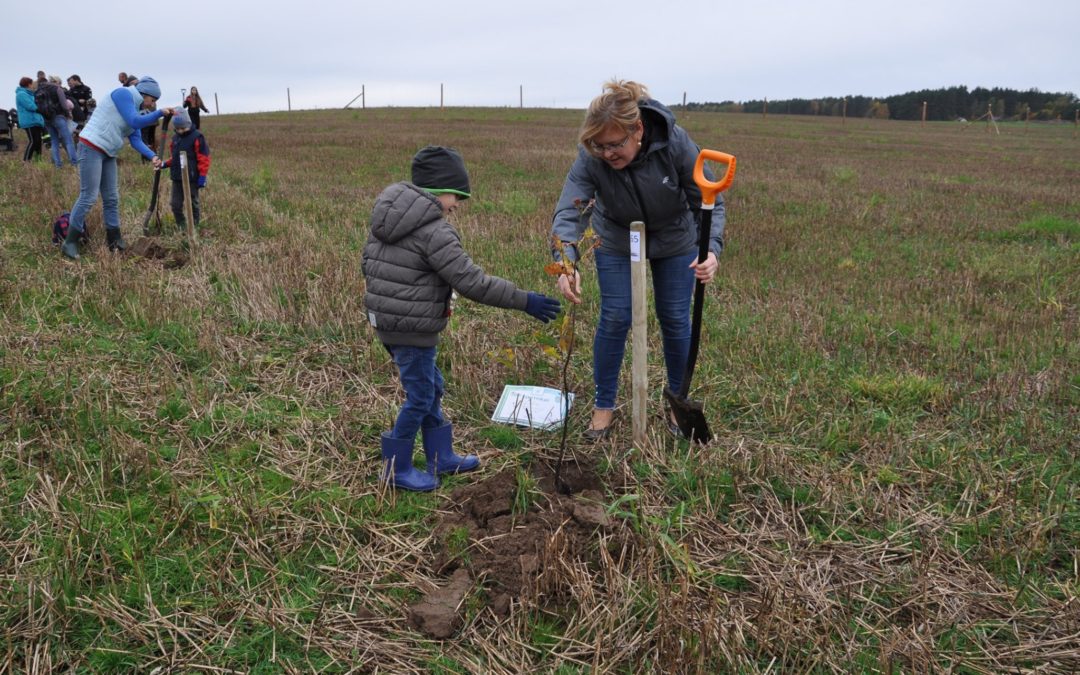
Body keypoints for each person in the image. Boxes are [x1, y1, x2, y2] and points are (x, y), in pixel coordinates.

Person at [362, 146, 562, 491]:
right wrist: (524, 300)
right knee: (421, 397)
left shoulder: (387, 218)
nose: (458, 205)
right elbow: (472, 282)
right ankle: (396, 468)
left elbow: (368, 265)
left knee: (431, 387)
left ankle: (441, 457)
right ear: (440, 190)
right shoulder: (434, 231)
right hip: (413, 328)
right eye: (458, 196)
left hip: (389, 324)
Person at [550, 79, 725, 440]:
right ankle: (603, 406)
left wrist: (711, 251)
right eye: (599, 146)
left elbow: (708, 200)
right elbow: (571, 211)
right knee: (615, 316)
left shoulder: (674, 143)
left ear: (638, 130)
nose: (607, 153)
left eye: (615, 145)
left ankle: (678, 404)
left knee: (675, 317)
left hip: (675, 237)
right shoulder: (591, 157)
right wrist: (566, 262)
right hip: (616, 234)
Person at [60, 76, 174, 260]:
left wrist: (152, 156)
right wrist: (160, 112)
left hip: (108, 152)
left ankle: (115, 240)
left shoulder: (135, 108)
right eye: (152, 101)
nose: (152, 105)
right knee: (88, 196)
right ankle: (70, 242)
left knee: (112, 198)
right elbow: (134, 121)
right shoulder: (123, 94)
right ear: (145, 94)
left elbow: (136, 138)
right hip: (91, 146)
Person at [162, 110, 211, 228]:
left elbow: (204, 158)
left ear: (189, 124)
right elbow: (174, 158)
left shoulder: (197, 137)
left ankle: (194, 226)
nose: (180, 131)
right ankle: (182, 226)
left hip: (192, 178)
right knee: (175, 205)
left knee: (193, 203)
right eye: (178, 129)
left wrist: (202, 176)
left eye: (183, 128)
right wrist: (164, 164)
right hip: (177, 178)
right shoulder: (175, 139)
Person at [42, 75, 77, 167]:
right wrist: (68, 114)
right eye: (60, 83)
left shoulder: (41, 90)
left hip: (46, 119)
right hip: (58, 117)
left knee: (54, 141)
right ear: (56, 82)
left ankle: (58, 165)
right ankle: (74, 163)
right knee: (68, 140)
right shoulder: (57, 89)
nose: (60, 85)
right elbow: (64, 104)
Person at [14, 77, 44, 162]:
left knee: (38, 142)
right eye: (31, 83)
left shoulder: (30, 94)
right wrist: (40, 109)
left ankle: (38, 160)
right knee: (33, 141)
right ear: (28, 84)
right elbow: (30, 105)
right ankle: (26, 161)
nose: (33, 85)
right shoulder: (21, 94)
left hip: (35, 120)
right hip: (29, 121)